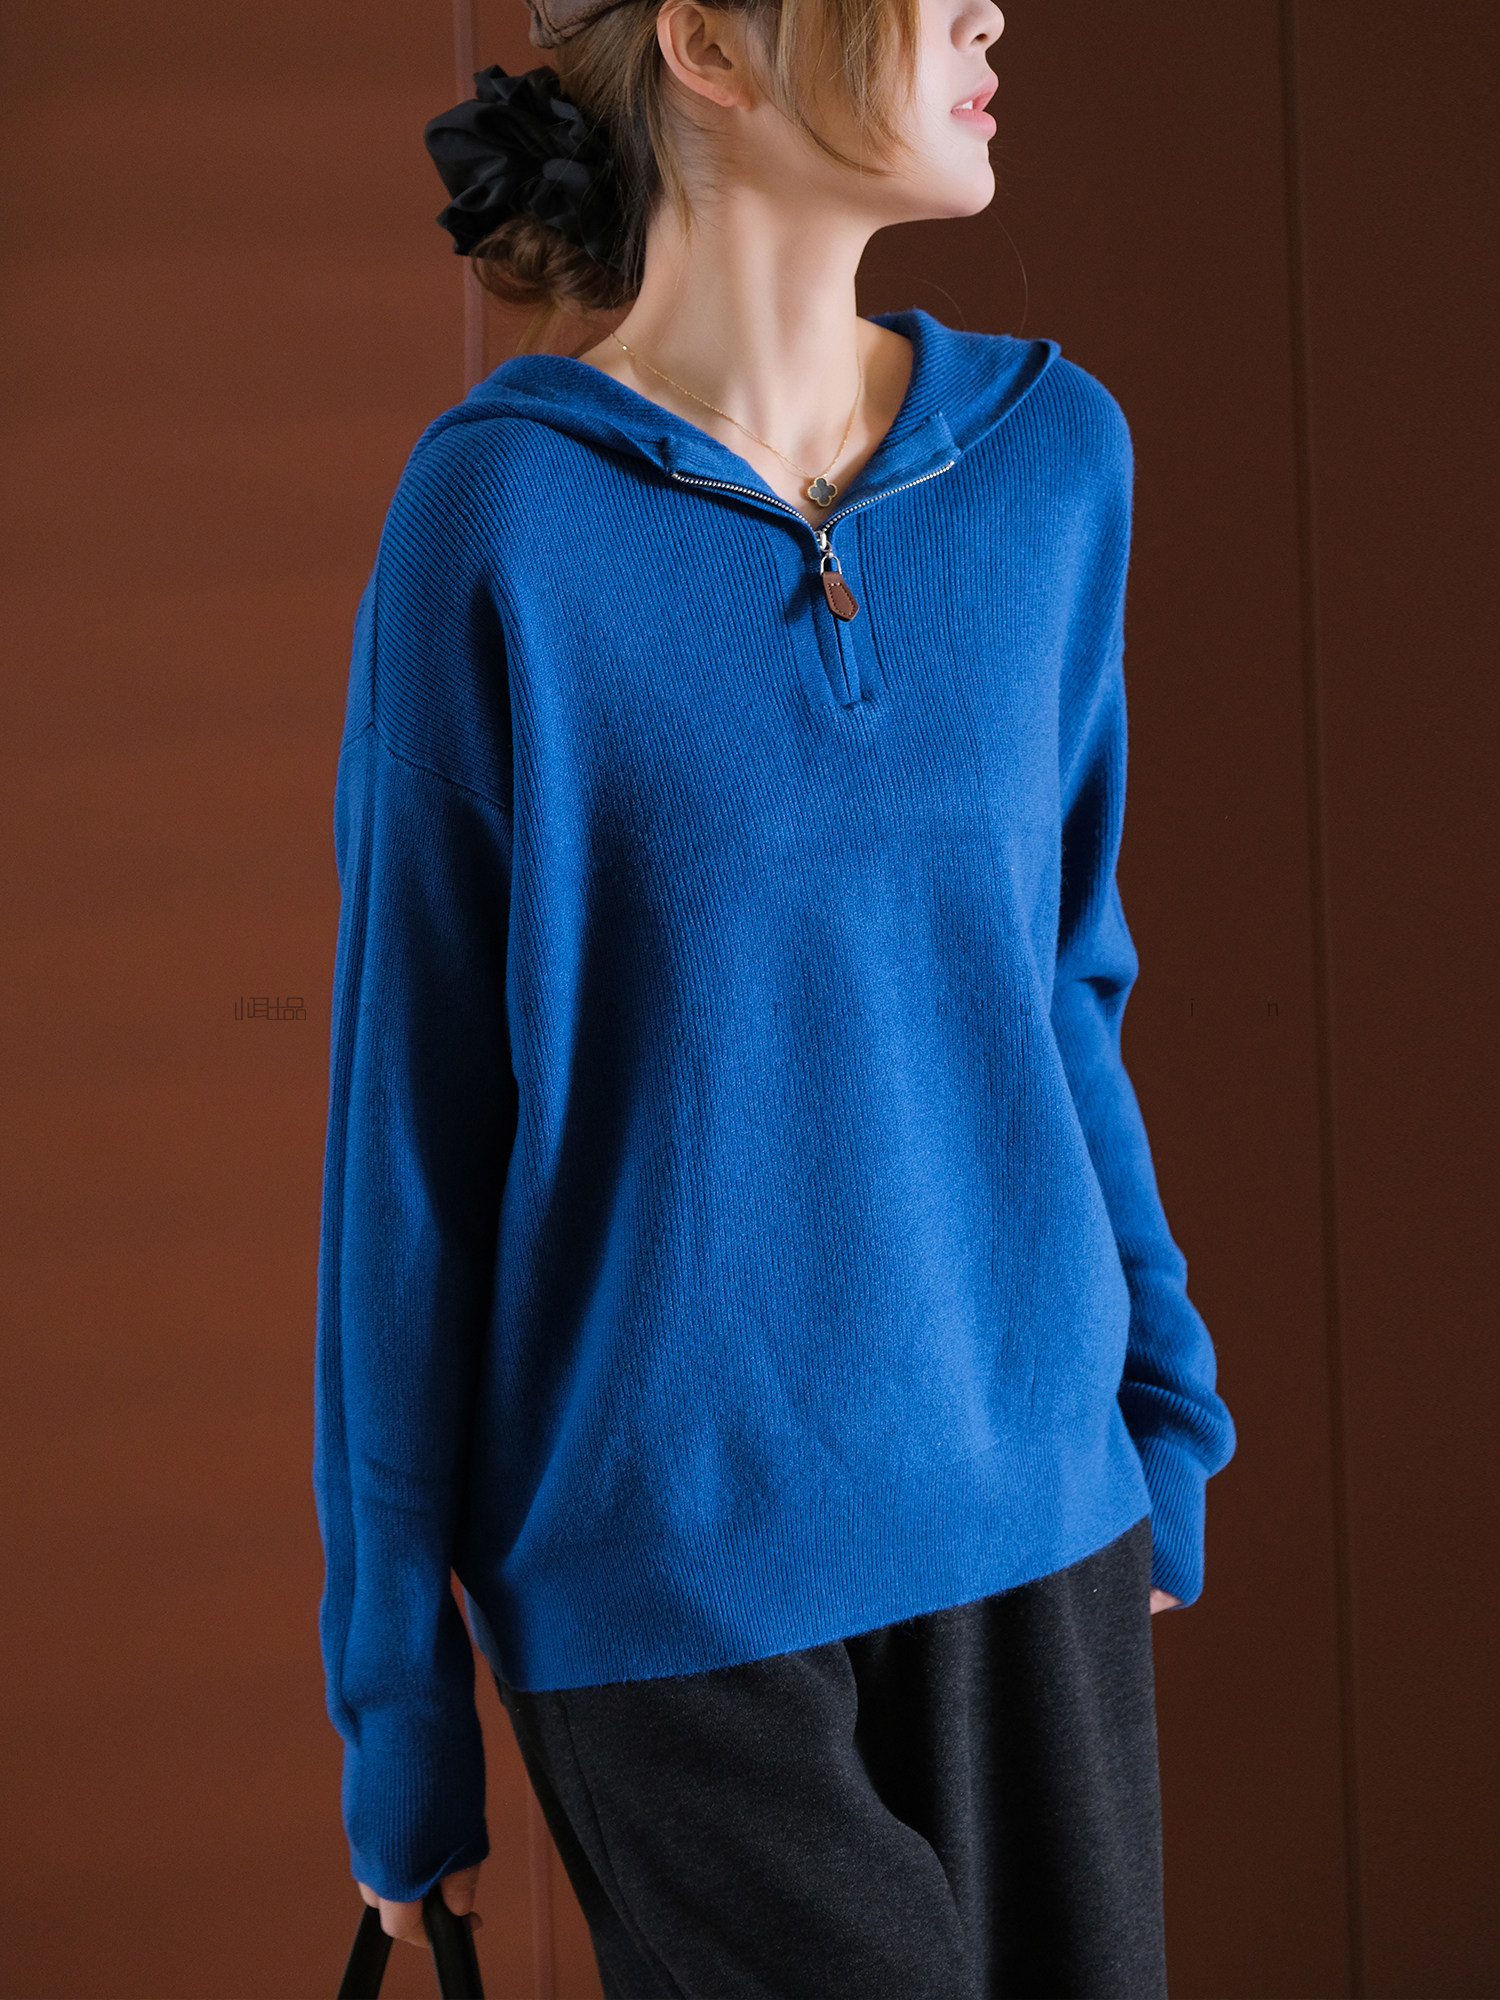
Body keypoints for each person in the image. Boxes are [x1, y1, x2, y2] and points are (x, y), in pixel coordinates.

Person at [313, 0, 1238, 1990]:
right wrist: (398, 1707)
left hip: (1042, 1530)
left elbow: (1063, 985)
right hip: (674, 1601)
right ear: (710, 46)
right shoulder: (501, 521)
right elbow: (409, 1150)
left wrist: (1166, 1418)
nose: (989, 11)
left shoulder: (1053, 464)